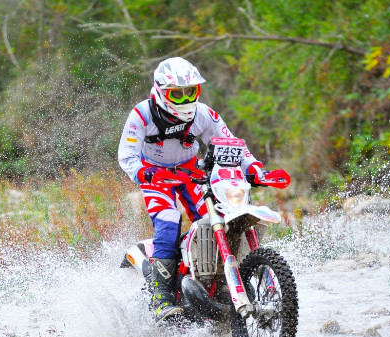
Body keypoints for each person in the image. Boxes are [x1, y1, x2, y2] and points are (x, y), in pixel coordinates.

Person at [118, 57, 289, 323]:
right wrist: (143, 171)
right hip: (157, 176)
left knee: (218, 217)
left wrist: (254, 168)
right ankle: (161, 296)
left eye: (191, 92)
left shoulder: (203, 114)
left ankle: (216, 278)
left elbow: (232, 144)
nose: (185, 100)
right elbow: (127, 156)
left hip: (192, 173)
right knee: (167, 222)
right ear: (161, 92)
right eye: (177, 94)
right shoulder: (142, 114)